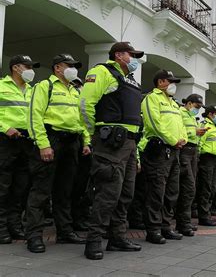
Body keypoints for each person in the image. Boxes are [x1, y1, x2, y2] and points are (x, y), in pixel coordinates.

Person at [80, 42, 144, 260]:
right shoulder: (102, 72)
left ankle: (117, 237)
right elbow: (86, 104)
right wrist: (93, 135)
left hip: (129, 144)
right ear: (118, 55)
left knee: (126, 194)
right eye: (131, 55)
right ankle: (94, 240)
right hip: (110, 143)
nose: (135, 59)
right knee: (108, 193)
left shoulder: (131, 81)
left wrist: (135, 153)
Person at [26, 54, 90, 253]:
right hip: (51, 140)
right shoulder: (45, 86)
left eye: (74, 66)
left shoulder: (75, 90)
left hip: (72, 143)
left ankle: (64, 232)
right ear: (57, 68)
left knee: (65, 190)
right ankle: (34, 236)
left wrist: (85, 141)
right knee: (41, 190)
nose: (73, 69)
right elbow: (34, 116)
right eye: (69, 65)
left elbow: (82, 118)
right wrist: (43, 145)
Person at [139, 69, 187, 244]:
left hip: (175, 151)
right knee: (156, 191)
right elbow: (154, 123)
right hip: (160, 150)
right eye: (170, 81)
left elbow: (181, 125)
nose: (173, 85)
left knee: (172, 192)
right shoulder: (152, 98)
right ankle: (153, 229)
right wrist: (173, 140)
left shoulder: (173, 103)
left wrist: (183, 140)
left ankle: (166, 227)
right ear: (160, 82)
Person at [0, 55, 39, 244]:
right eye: (28, 66)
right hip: (6, 140)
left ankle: (14, 226)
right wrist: (5, 128)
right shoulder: (1, 86)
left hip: (26, 141)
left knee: (20, 187)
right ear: (16, 68)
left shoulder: (32, 91)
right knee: (3, 186)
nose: (31, 70)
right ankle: (0, 228)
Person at [177, 94, 206, 236]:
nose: (198, 110)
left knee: (190, 187)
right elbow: (178, 130)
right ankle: (183, 223)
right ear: (189, 103)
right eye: (197, 106)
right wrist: (194, 131)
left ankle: (184, 221)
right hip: (184, 150)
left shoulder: (191, 116)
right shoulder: (181, 113)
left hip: (193, 152)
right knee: (188, 187)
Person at [196, 105, 216, 226]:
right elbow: (199, 143)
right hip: (207, 160)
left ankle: (207, 213)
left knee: (212, 188)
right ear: (210, 114)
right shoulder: (204, 125)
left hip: (215, 161)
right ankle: (203, 216)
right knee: (206, 188)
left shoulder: (214, 126)